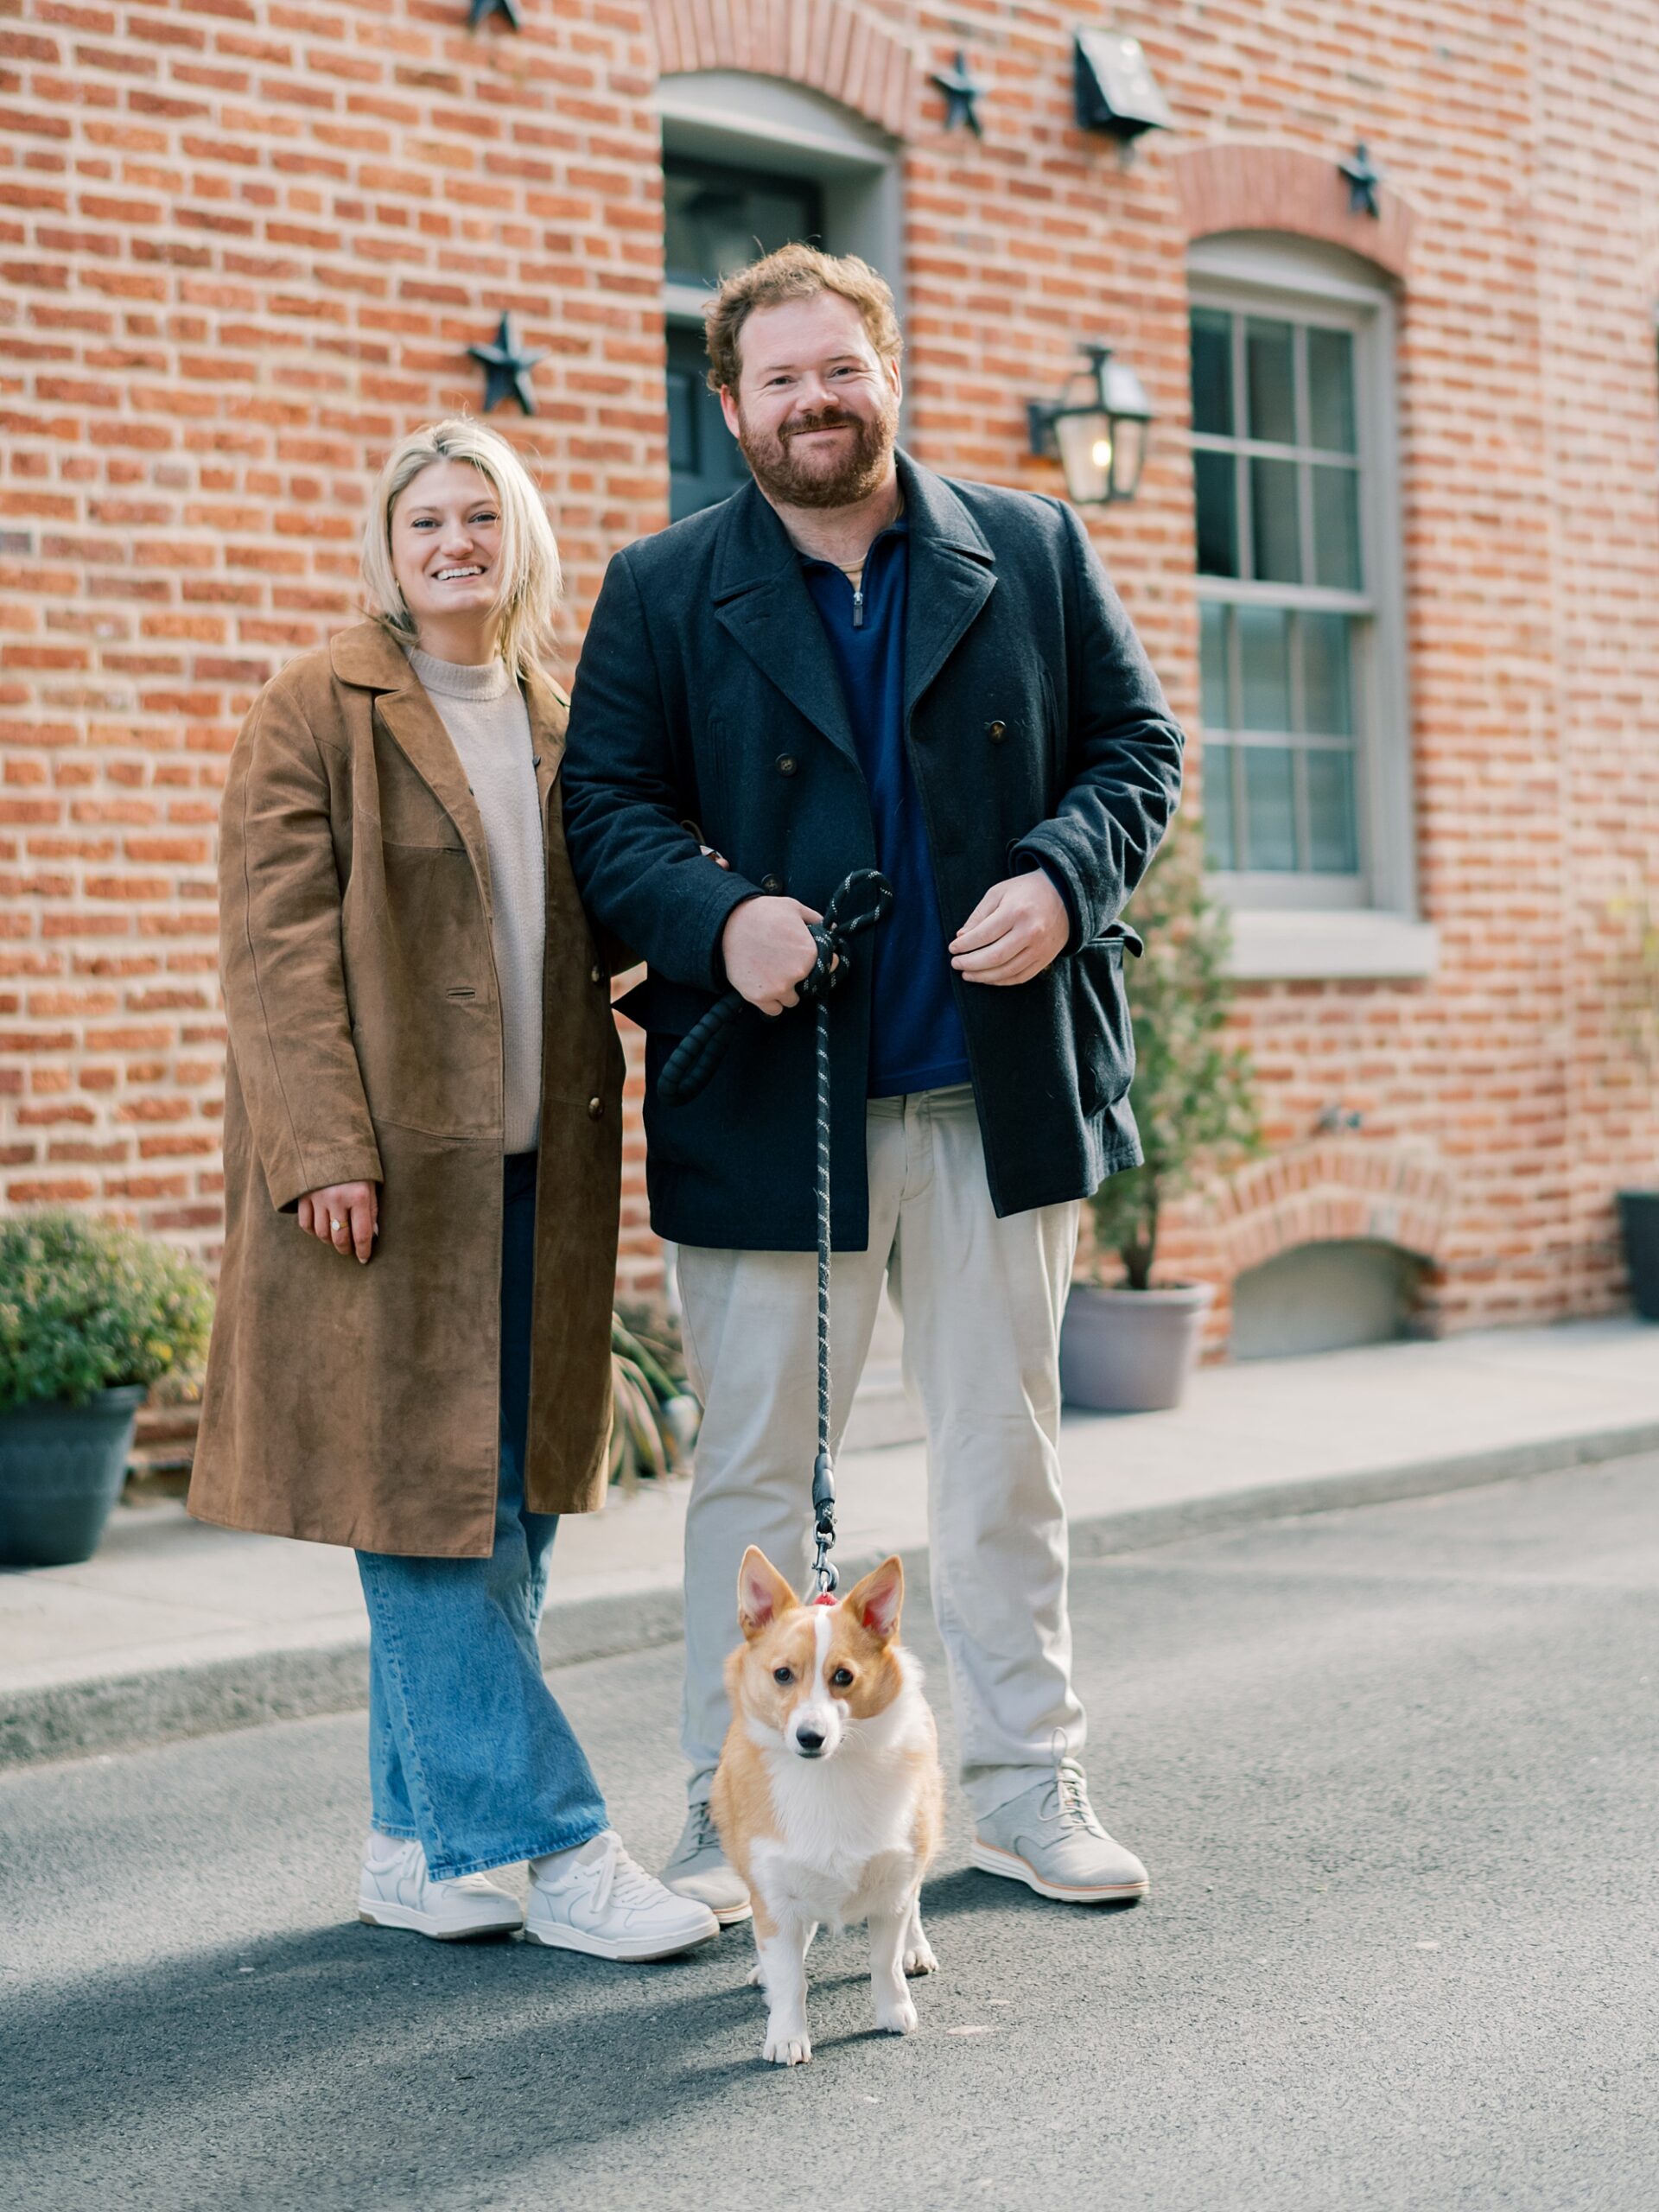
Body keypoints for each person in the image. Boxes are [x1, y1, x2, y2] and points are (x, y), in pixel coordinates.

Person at [562, 247, 1185, 1922]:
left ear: (887, 367)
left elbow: (1141, 750)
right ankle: (734, 1809)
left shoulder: (1031, 547)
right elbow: (604, 810)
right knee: (757, 1488)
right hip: (776, 1099)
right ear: (732, 406)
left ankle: (1024, 1785)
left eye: (839, 367)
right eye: (780, 379)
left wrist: (1065, 874)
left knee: (1003, 1464)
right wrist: (724, 916)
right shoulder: (661, 584)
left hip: (994, 1095)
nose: (815, 400)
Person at [190, 419, 718, 1963]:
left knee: (509, 1521)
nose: (454, 544)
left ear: (520, 539)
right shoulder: (320, 706)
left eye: (481, 517)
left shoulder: (566, 719)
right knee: (425, 1520)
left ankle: (414, 1845)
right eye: (426, 520)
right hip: (386, 1189)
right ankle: (556, 1845)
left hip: (535, 1185)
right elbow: (272, 955)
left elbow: (600, 927)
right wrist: (323, 1151)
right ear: (389, 544)